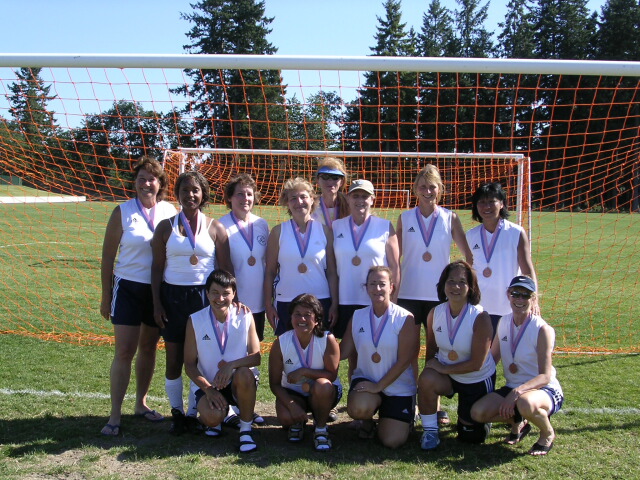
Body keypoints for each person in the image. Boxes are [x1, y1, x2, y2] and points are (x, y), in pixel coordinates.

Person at [151, 171, 233, 435]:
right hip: (173, 298)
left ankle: (193, 411)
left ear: (203, 194)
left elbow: (226, 273)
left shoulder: (216, 228)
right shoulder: (165, 227)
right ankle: (177, 413)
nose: (190, 195)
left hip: (204, 299)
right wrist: (156, 303)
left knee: (203, 360)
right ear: (177, 194)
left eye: (195, 190)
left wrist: (231, 304)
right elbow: (155, 269)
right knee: (174, 359)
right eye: (185, 190)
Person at [100, 156, 177, 436]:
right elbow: (108, 257)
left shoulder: (170, 210)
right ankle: (114, 415)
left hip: (157, 290)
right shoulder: (122, 211)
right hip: (128, 288)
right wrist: (106, 295)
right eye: (142, 178)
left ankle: (141, 404)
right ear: (135, 182)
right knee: (124, 351)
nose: (147, 183)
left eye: (152, 179)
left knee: (148, 349)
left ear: (160, 184)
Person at [396, 165, 472, 426]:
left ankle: (434, 404)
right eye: (423, 187)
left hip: (439, 295)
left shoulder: (450, 218)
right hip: (407, 293)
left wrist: (464, 283)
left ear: (440, 190)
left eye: (433, 187)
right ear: (415, 189)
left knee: (434, 349)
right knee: (408, 349)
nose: (428, 191)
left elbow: (467, 255)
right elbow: (395, 257)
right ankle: (409, 399)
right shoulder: (405, 219)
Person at [471, 276, 563, 456]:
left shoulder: (542, 329)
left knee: (525, 403)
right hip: (514, 388)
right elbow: (493, 358)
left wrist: (516, 392)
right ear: (508, 295)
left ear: (533, 299)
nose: (519, 299)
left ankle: (547, 433)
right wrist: (470, 372)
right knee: (477, 413)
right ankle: (518, 419)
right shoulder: (503, 322)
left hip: (544, 389)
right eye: (515, 294)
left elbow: (544, 376)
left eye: (525, 295)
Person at [417, 260, 496, 450]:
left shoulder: (480, 317)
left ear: (471, 287)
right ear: (443, 284)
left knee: (471, 437)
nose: (456, 286)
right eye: (451, 281)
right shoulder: (434, 313)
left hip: (475, 378)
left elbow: (477, 363)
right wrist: (431, 374)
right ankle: (430, 431)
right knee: (426, 378)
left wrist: (443, 368)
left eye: (462, 282)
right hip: (449, 376)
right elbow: (432, 349)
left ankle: (489, 417)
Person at [340, 266, 420, 449]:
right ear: (366, 287)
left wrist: (379, 386)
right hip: (367, 380)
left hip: (397, 386)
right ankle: (367, 423)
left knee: (392, 441)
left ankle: (400, 418)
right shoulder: (357, 316)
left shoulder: (404, 318)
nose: (377, 289)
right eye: (372, 284)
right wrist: (318, 341)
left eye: (382, 284)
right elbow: (342, 352)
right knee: (359, 408)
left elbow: (404, 361)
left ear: (391, 287)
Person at [184, 270, 260, 453]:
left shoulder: (245, 315)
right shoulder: (195, 320)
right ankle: (212, 416)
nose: (220, 298)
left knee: (244, 373)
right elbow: (189, 365)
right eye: (215, 293)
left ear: (234, 293)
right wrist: (208, 389)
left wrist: (231, 366)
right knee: (212, 418)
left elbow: (256, 357)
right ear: (207, 293)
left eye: (226, 293)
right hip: (209, 385)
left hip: (237, 382)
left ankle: (245, 430)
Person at [264, 177, 338, 336]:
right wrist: (268, 306)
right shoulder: (278, 232)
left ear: (312, 199)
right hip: (286, 301)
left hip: (320, 300)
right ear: (287, 203)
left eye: (303, 197)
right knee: (289, 353)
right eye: (293, 198)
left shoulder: (325, 232)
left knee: (319, 352)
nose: (299, 202)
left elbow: (332, 272)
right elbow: (270, 272)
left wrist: (335, 304)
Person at [269, 294, 342, 451]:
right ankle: (298, 422)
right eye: (297, 314)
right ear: (291, 317)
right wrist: (291, 405)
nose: (302, 319)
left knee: (323, 385)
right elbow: (274, 384)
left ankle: (321, 429)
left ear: (317, 319)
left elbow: (331, 375)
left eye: (307, 315)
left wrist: (304, 371)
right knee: (285, 417)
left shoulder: (328, 339)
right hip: (294, 393)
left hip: (324, 391)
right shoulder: (280, 342)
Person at [332, 179, 400, 340]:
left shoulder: (385, 226)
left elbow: (395, 266)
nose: (360, 200)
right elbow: (332, 268)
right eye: (355, 196)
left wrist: (393, 300)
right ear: (348, 198)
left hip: (375, 299)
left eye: (365, 196)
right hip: (345, 298)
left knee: (374, 344)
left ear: (372, 199)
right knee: (349, 350)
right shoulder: (336, 226)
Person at [466, 182, 537, 334]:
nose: (487, 207)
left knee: (510, 351)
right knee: (483, 353)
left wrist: (534, 298)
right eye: (482, 202)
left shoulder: (516, 232)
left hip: (509, 305)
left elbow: (527, 269)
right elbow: (469, 270)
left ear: (502, 204)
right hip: (480, 305)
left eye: (492, 202)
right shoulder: (471, 235)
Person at [219, 174, 269, 341]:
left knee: (255, 347)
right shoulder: (221, 225)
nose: (245, 198)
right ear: (230, 197)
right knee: (233, 346)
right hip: (233, 301)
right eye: (240, 194)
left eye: (249, 194)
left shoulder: (261, 224)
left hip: (258, 300)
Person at [311, 157, 350, 228]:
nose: (330, 181)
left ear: (342, 181)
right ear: (317, 180)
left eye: (335, 177)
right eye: (325, 177)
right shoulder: (310, 206)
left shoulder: (349, 204)